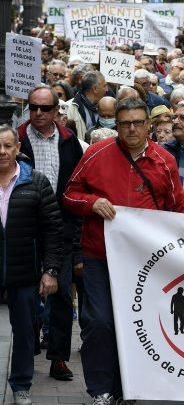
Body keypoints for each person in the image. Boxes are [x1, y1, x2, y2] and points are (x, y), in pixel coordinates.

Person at [63, 97, 184, 404]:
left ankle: (128, 387)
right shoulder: (96, 153)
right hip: (100, 256)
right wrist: (92, 203)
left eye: (137, 123)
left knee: (136, 326)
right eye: (124, 124)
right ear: (115, 126)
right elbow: (69, 195)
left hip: (145, 262)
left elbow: (177, 209)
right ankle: (102, 390)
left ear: (149, 125)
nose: (131, 129)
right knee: (100, 322)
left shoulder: (163, 160)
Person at [17, 86, 83, 383]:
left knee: (61, 296)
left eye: (45, 109)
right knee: (26, 295)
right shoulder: (16, 138)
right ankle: (26, 354)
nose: (38, 114)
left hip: (61, 227)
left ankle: (58, 358)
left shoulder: (69, 141)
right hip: (25, 228)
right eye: (33, 107)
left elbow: (78, 183)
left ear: (57, 111)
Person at [0, 125, 62, 405]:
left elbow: (52, 230)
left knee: (25, 331)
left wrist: (50, 271)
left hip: (24, 270)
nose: (2, 152)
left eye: (7, 146)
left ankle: (21, 384)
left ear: (17, 149)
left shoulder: (36, 182)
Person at [66, 71, 107, 142]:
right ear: (95, 89)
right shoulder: (69, 108)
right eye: (104, 86)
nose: (107, 89)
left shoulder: (106, 107)